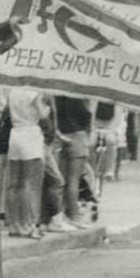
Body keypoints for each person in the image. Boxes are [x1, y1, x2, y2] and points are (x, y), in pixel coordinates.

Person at [3, 85, 50, 239]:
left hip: (15, 133)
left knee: (14, 183)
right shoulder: (33, 91)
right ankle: (29, 225)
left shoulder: (13, 90)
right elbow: (43, 115)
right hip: (31, 134)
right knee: (30, 183)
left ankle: (14, 225)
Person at [51, 95, 91, 230]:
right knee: (74, 180)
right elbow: (86, 115)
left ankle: (62, 213)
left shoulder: (56, 96)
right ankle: (74, 215)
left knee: (63, 179)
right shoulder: (76, 96)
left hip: (61, 135)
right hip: (78, 135)